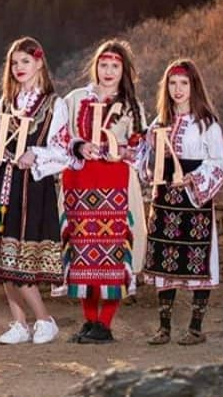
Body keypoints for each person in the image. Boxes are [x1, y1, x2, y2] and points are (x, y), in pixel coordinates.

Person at [61, 39, 147, 344]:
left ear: (124, 70)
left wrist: (120, 151)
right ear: (95, 66)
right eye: (104, 64)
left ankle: (105, 323)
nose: (108, 71)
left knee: (114, 253)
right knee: (83, 252)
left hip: (116, 184)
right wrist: (79, 146)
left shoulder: (131, 107)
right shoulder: (74, 99)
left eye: (115, 66)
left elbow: (141, 148)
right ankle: (89, 321)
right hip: (80, 183)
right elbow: (61, 136)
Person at [0, 38, 72, 345]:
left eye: (25, 61)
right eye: (14, 62)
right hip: (5, 185)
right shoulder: (5, 104)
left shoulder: (54, 105)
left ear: (39, 63)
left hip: (34, 188)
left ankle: (45, 319)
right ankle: (19, 323)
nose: (19, 67)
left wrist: (36, 154)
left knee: (22, 263)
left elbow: (64, 152)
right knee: (4, 260)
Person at [140, 59, 223, 346]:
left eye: (183, 83)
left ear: (194, 86)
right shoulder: (159, 123)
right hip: (164, 199)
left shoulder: (207, 124)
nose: (177, 89)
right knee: (164, 261)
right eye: (172, 83)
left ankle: (195, 328)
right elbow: (144, 158)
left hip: (194, 201)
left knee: (197, 260)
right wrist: (150, 155)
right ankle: (163, 327)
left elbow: (221, 161)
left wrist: (194, 179)